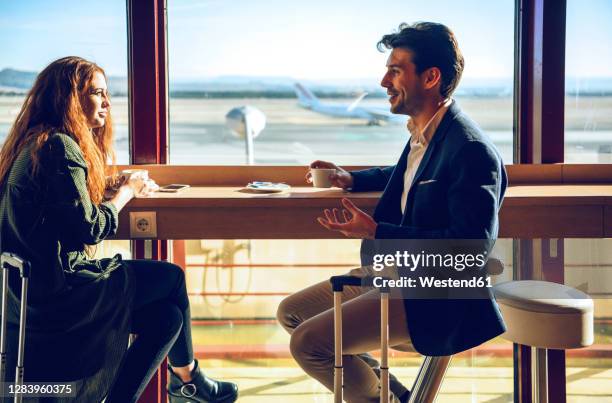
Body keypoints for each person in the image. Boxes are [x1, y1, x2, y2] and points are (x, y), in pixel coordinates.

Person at [277, 22, 507, 402]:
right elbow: (408, 176)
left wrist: (377, 231)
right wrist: (350, 178)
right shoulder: (426, 133)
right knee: (292, 313)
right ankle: (393, 395)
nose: (384, 80)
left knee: (308, 343)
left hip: (435, 292)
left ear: (431, 77)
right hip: (398, 271)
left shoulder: (470, 149)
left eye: (396, 69)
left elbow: (471, 250)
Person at [0, 56, 238, 403]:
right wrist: (128, 191)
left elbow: (59, 201)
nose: (108, 103)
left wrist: (106, 183)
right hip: (60, 294)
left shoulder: (33, 145)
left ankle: (182, 383)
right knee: (171, 278)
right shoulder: (58, 147)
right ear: (69, 98)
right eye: (97, 92)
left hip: (29, 294)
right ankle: (189, 380)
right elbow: (90, 228)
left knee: (166, 318)